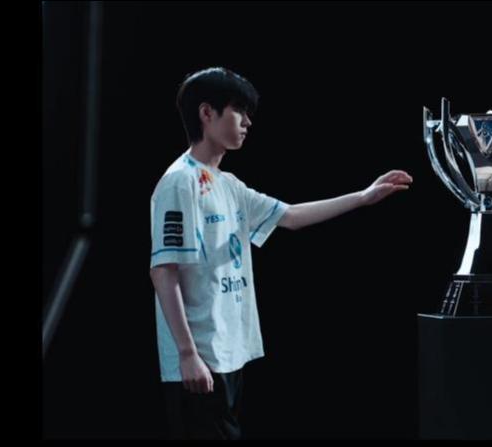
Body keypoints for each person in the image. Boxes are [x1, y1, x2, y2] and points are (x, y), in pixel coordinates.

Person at [149, 67, 413, 439]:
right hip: (199, 356)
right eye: (238, 110)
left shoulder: (229, 184)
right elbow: (164, 272)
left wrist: (364, 197)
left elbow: (289, 216)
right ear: (206, 113)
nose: (247, 122)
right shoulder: (180, 181)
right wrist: (187, 354)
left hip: (227, 352)